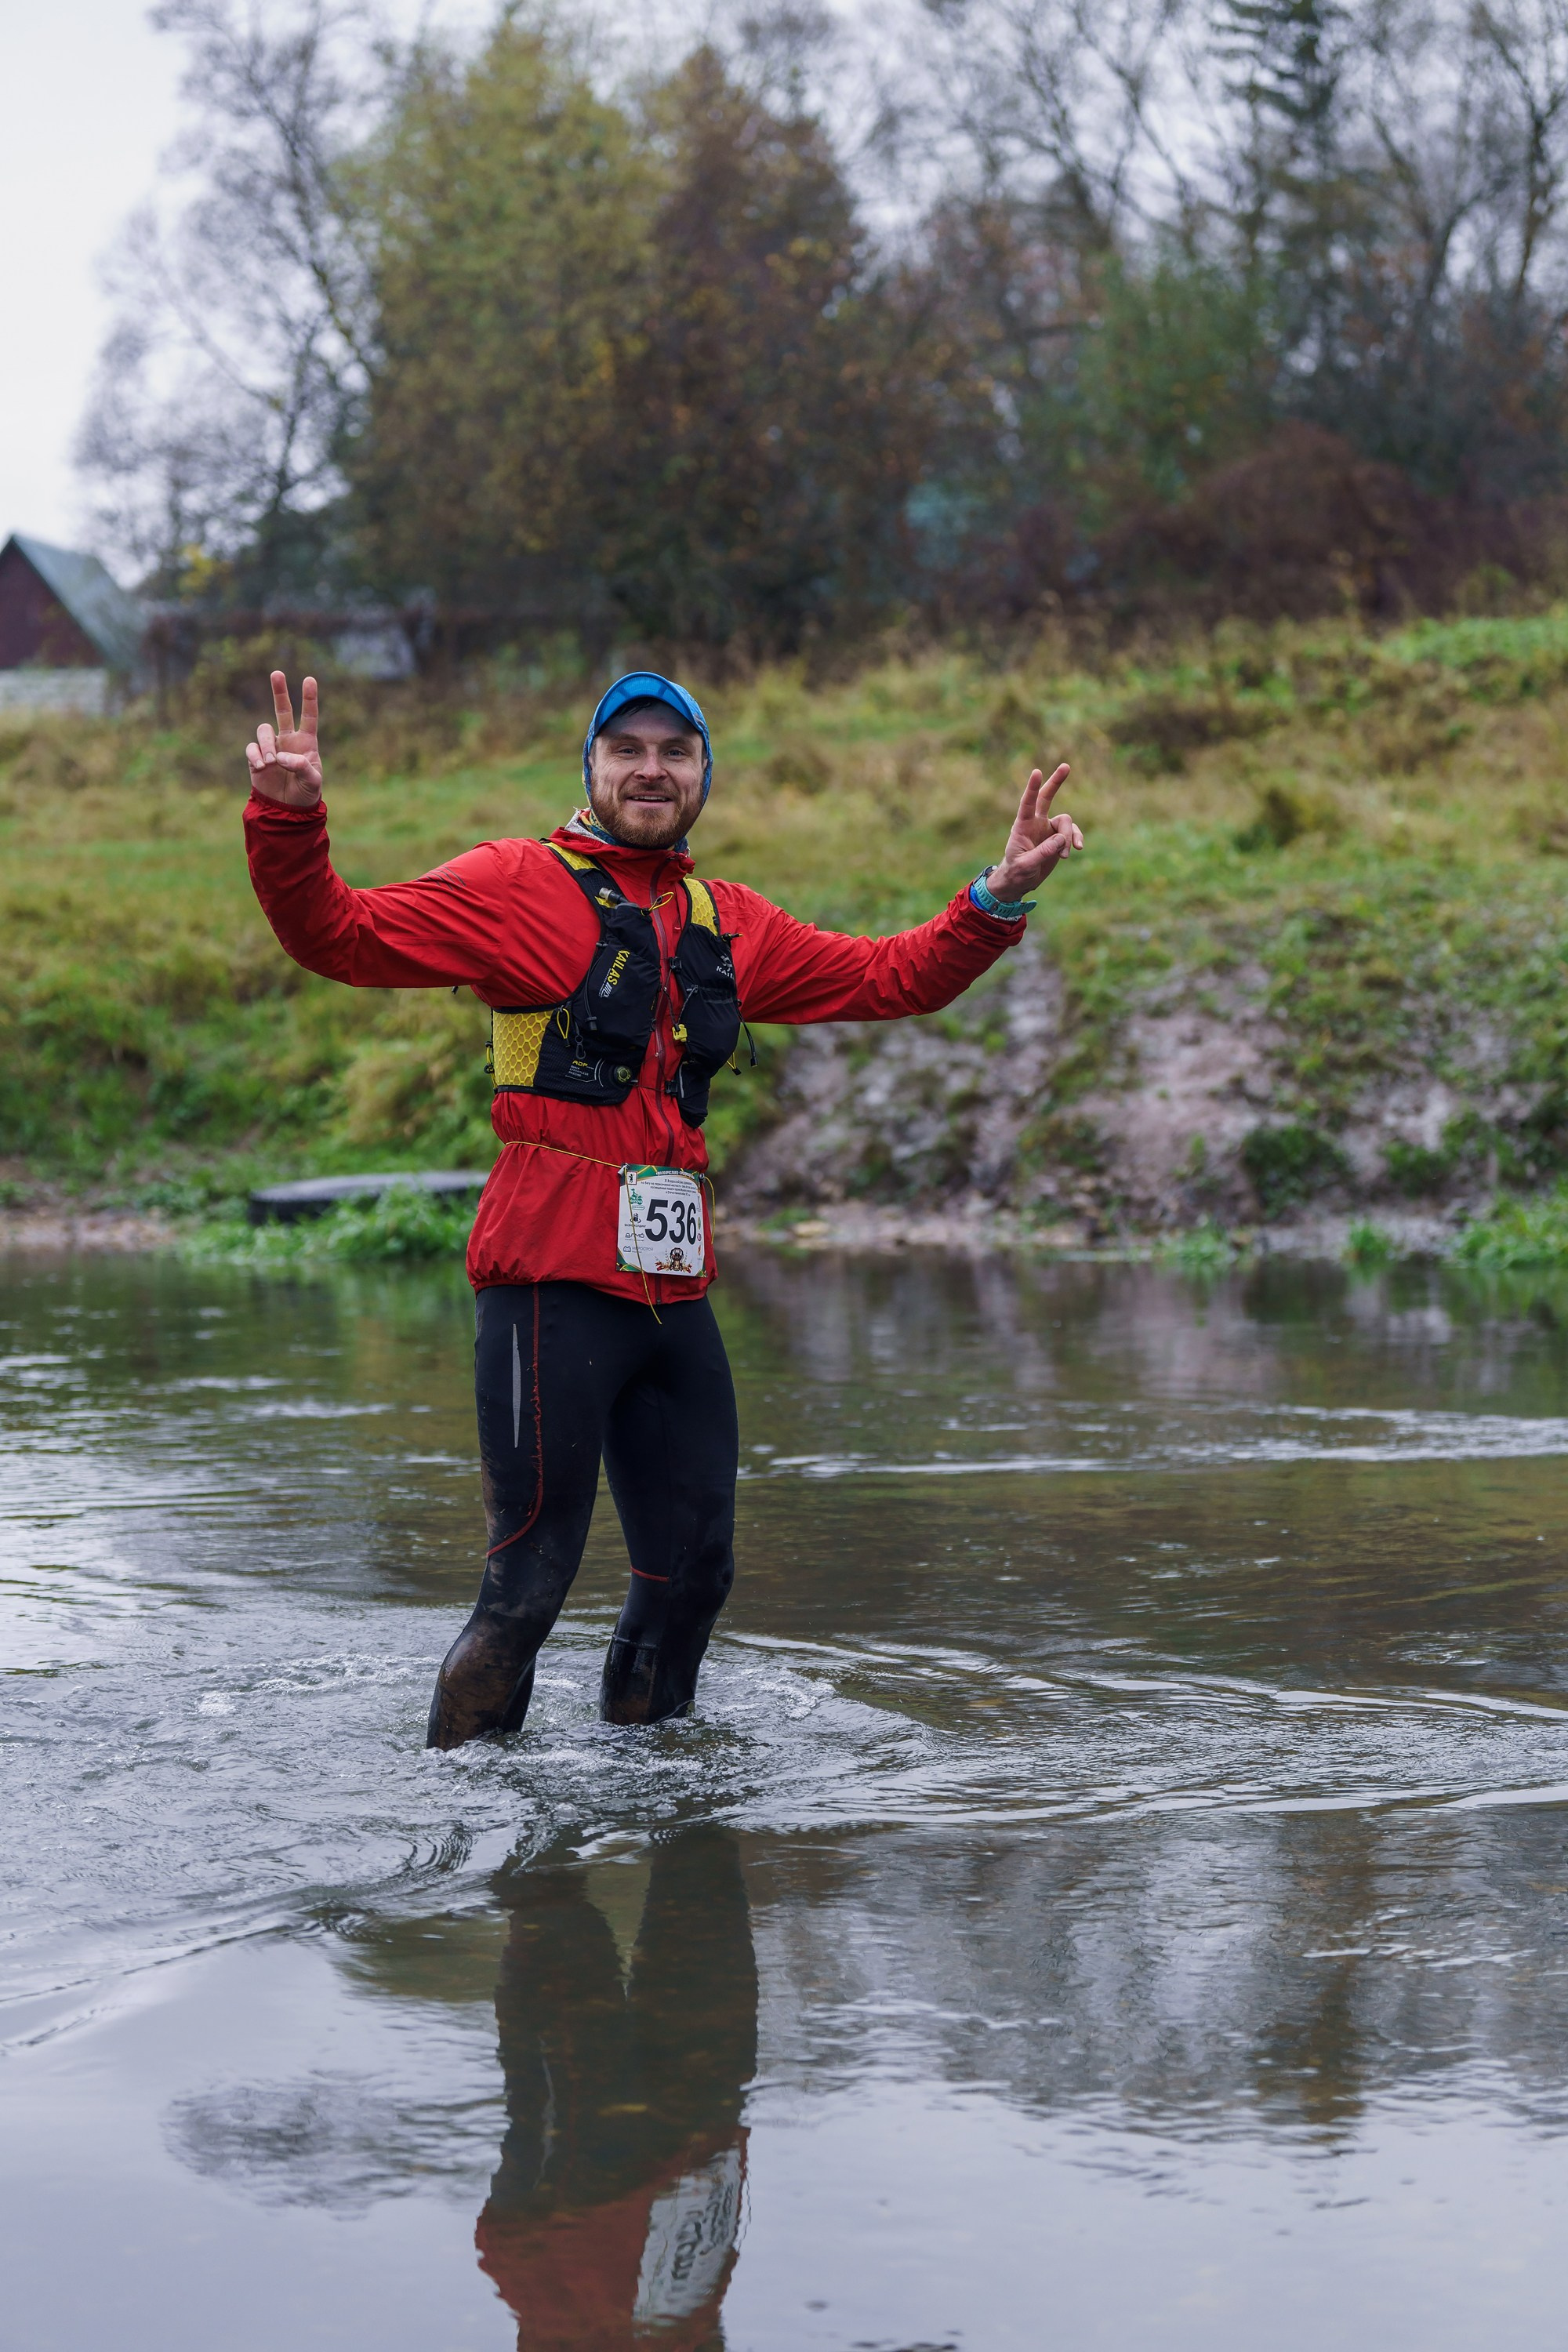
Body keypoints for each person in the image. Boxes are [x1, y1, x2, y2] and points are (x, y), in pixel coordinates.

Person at [242, 668, 1081, 1748]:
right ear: (590, 770)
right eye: (627, 749)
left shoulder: (726, 919)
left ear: (701, 777)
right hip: (547, 1283)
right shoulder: (512, 883)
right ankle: (468, 1835)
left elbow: (892, 977)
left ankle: (655, 1810)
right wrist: (289, 819)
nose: (651, 769)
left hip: (671, 1295)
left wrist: (997, 897)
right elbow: (336, 935)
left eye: (675, 752)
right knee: (527, 1592)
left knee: (694, 1576)